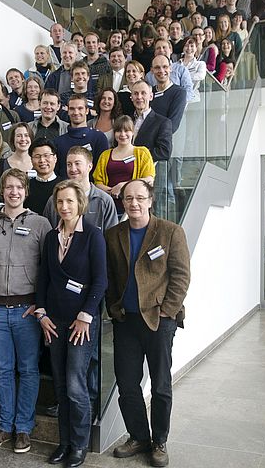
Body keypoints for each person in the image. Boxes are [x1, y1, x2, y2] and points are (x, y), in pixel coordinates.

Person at [105, 179, 191, 468]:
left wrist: (168, 311)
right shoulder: (113, 234)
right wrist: (113, 307)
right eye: (128, 198)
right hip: (125, 321)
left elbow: (181, 276)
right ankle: (138, 436)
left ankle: (160, 441)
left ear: (150, 200)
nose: (134, 203)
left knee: (161, 385)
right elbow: (109, 277)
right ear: (123, 202)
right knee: (127, 384)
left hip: (158, 320)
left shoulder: (170, 232)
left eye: (140, 198)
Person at [0, 168, 51, 454]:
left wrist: (40, 304)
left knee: (28, 370)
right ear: (2, 191)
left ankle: (24, 429)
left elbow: (47, 268)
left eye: (19, 187)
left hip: (26, 312)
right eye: (9, 187)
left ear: (26, 191)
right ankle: (5, 426)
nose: (14, 192)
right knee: (3, 371)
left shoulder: (41, 224)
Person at [36, 180, 107, 468]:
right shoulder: (51, 237)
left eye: (69, 201)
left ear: (80, 204)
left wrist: (85, 315)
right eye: (60, 202)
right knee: (61, 384)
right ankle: (64, 443)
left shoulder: (93, 235)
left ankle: (79, 445)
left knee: (76, 386)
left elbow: (100, 280)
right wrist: (41, 313)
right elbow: (44, 278)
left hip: (82, 323)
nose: (64, 206)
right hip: (54, 322)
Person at [43, 146, 118, 233]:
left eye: (77, 163)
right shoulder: (54, 200)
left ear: (90, 166)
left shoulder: (104, 201)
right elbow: (48, 233)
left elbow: (112, 236)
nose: (73, 169)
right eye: (69, 164)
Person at [93, 116, 156, 214]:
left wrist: (123, 186)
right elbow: (98, 182)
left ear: (133, 132)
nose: (122, 134)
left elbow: (149, 179)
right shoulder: (105, 155)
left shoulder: (142, 152)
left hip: (135, 206)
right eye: (119, 131)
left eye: (126, 131)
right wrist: (112, 191)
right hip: (109, 207)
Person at [53, 94, 108, 179]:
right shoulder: (58, 142)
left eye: (80, 108)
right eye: (72, 109)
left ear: (87, 111)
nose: (76, 112)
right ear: (68, 111)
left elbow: (102, 170)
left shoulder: (99, 138)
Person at [130, 80, 172, 163]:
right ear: (131, 97)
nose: (139, 97)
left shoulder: (163, 123)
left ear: (151, 96)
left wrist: (135, 157)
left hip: (148, 168)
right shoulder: (127, 120)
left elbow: (164, 152)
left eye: (143, 93)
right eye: (135, 93)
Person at [148, 55, 187, 134]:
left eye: (165, 67)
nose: (161, 70)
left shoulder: (179, 92)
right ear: (152, 70)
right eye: (157, 67)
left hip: (164, 139)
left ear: (170, 68)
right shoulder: (149, 92)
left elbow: (172, 125)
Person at [25, 138, 62, 215]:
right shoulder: (26, 187)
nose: (42, 160)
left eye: (46, 155)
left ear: (55, 158)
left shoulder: (65, 186)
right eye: (37, 156)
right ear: (31, 160)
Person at [179, 37, 207, 102]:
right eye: (186, 46)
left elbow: (201, 76)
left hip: (194, 99)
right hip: (179, 98)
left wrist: (182, 77)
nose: (189, 48)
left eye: (192, 46)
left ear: (196, 48)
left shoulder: (200, 64)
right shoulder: (177, 64)